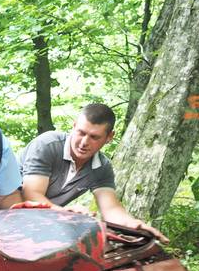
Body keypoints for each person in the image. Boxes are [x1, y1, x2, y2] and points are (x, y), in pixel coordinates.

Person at [20, 103, 168, 241]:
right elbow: (31, 195)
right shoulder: (48, 145)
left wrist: (131, 223)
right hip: (6, 213)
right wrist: (64, 213)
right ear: (74, 126)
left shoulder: (101, 167)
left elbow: (110, 209)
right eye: (80, 133)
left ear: (109, 137)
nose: (84, 142)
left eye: (94, 137)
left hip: (45, 222)